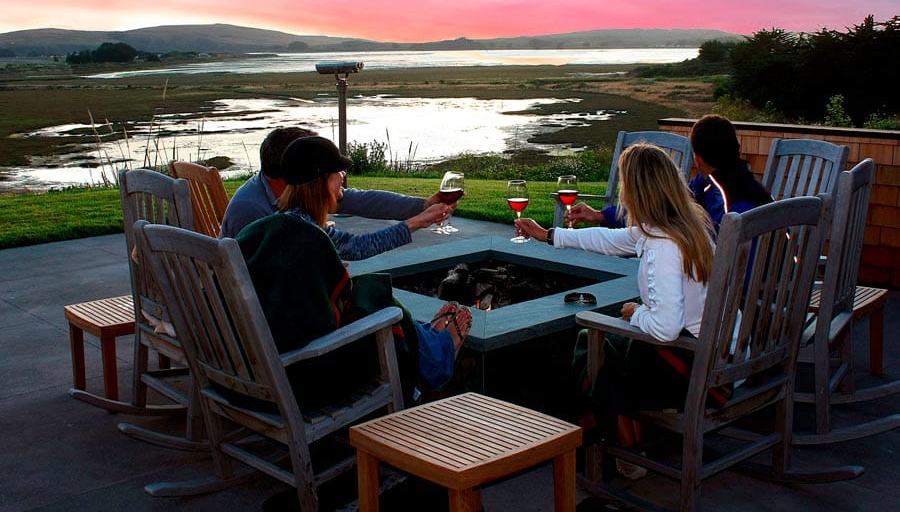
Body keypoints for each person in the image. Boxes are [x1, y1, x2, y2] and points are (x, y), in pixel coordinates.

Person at [514, 143, 717, 475]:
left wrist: (634, 314)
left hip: (691, 367)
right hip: (718, 355)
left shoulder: (662, 245)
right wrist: (550, 234)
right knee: (609, 340)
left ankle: (623, 449)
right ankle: (625, 434)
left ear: (636, 192)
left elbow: (665, 327)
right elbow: (612, 240)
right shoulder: (685, 227)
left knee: (591, 341)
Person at [236, 135, 471, 404]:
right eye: (338, 171)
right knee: (376, 297)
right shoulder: (303, 235)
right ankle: (438, 358)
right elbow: (315, 315)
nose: (343, 175)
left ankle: (431, 340)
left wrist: (417, 220)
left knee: (372, 295)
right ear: (321, 180)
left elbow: (358, 247)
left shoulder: (287, 224)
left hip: (258, 359)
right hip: (305, 371)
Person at [220, 126, 451, 239]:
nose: (342, 175)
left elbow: (365, 201)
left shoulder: (300, 197)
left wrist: (423, 206)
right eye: (333, 171)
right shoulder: (252, 212)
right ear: (302, 176)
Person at [566, 115, 771, 232]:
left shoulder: (727, 202)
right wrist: (602, 215)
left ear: (698, 159)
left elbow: (725, 266)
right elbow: (662, 207)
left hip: (740, 295)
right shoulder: (748, 187)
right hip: (781, 286)